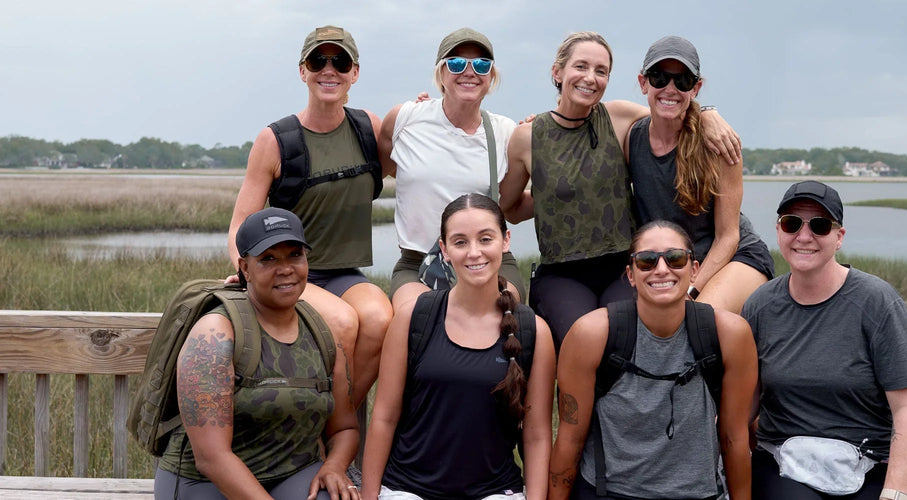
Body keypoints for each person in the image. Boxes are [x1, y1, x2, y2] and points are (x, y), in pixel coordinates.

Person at [498, 31, 743, 351]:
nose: (590, 77)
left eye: (601, 71)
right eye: (581, 66)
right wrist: (555, 194)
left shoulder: (618, 117)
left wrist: (709, 113)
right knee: (584, 340)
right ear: (557, 72)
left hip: (622, 266)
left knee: (634, 336)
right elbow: (510, 208)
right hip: (563, 272)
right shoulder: (526, 137)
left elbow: (672, 112)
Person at [228, 25, 392, 409]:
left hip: (345, 273)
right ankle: (332, 431)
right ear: (303, 71)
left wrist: (429, 112)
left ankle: (337, 422)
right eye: (319, 60)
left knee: (382, 320)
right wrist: (243, 269)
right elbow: (240, 224)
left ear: (354, 73)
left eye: (341, 61)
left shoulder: (368, 127)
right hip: (289, 273)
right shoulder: (275, 140)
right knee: (344, 323)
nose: (329, 70)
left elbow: (423, 165)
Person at [156, 207, 360, 500]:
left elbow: (345, 428)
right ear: (245, 268)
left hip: (291, 473)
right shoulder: (215, 334)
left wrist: (335, 466)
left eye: (295, 255)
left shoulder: (322, 334)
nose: (286, 268)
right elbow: (211, 458)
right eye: (268, 259)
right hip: (207, 481)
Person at [362, 194, 556, 500]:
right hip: (409, 490)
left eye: (485, 238)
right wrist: (371, 496)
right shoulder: (414, 317)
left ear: (506, 240)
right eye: (460, 242)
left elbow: (536, 436)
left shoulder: (534, 332)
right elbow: (384, 417)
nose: (474, 252)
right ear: (444, 249)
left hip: (494, 492)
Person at [548, 220, 756, 500]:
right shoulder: (591, 335)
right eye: (646, 261)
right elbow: (569, 441)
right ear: (630, 274)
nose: (661, 269)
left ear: (694, 270)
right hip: (610, 491)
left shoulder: (728, 334)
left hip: (698, 493)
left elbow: (734, 438)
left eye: (675, 259)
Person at [742, 181, 907, 500]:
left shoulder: (877, 302)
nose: (804, 236)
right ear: (779, 230)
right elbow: (745, 403)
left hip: (866, 464)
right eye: (791, 223)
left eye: (820, 226)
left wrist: (895, 492)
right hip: (782, 462)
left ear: (839, 237)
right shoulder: (760, 306)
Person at [380, 28, 527, 311]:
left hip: (485, 260)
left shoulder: (506, 133)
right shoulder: (405, 119)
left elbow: (513, 204)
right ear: (441, 74)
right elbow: (386, 170)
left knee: (500, 314)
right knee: (417, 319)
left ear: (491, 77)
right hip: (418, 262)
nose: (470, 72)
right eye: (457, 63)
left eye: (482, 65)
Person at [624, 36, 772, 315]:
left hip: (734, 257)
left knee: (697, 319)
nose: (670, 88)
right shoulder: (631, 137)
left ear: (696, 87)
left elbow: (728, 237)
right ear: (643, 83)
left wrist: (691, 292)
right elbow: (581, 117)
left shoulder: (718, 145)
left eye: (682, 81)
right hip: (673, 263)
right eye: (659, 78)